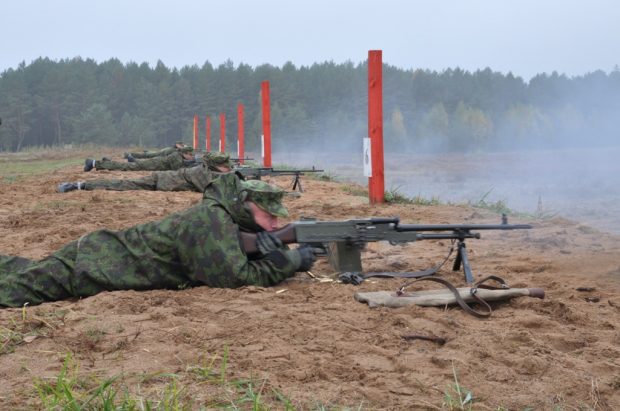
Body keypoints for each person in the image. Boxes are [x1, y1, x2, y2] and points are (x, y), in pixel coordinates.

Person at [0, 174, 316, 308]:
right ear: (245, 205)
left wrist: (269, 246)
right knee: (20, 290)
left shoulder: (221, 217)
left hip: (101, 255)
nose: (275, 224)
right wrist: (291, 260)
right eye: (269, 216)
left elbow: (236, 253)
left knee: (27, 271)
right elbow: (236, 278)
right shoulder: (211, 222)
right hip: (96, 265)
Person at [59, 152, 233, 193]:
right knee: (122, 184)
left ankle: (82, 183)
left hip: (160, 179)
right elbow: (213, 188)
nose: (229, 169)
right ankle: (79, 185)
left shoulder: (203, 170)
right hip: (159, 180)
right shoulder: (201, 173)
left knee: (122, 183)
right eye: (226, 166)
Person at [84, 146, 195, 172]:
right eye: (191, 155)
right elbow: (178, 170)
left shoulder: (178, 155)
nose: (192, 157)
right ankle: (94, 163)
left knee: (126, 166)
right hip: (151, 165)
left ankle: (105, 163)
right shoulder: (176, 157)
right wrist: (192, 165)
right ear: (186, 154)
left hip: (152, 164)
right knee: (125, 167)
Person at [124, 141, 188, 161]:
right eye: (181, 145)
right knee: (144, 156)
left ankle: (129, 155)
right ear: (177, 145)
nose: (182, 146)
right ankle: (128, 155)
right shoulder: (173, 149)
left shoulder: (173, 149)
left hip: (157, 154)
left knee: (144, 156)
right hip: (157, 155)